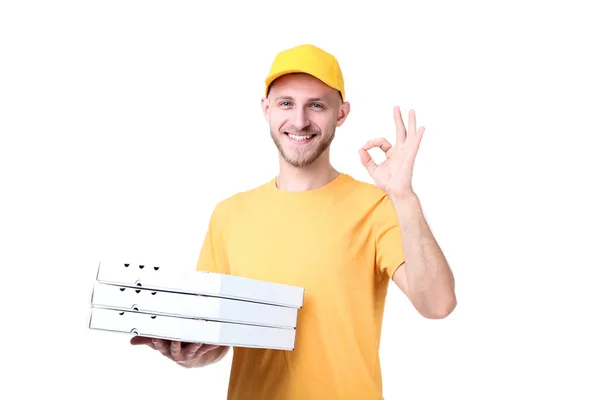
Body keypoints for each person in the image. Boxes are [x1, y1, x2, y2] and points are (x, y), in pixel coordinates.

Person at [131, 43, 457, 399]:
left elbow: (438, 304)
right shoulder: (229, 215)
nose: (300, 120)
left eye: (316, 105)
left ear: (341, 113)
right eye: (286, 103)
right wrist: (189, 354)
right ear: (266, 109)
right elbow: (217, 339)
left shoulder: (375, 206)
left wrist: (404, 197)